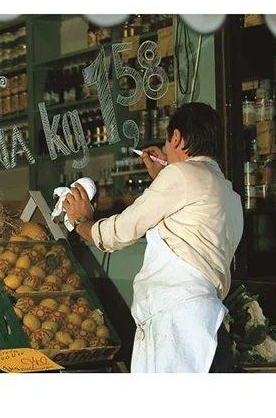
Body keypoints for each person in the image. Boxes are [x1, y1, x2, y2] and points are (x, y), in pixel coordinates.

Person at [63, 102, 244, 373]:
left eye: (168, 141)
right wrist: (163, 175)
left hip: (178, 327)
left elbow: (118, 232)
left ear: (177, 138)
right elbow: (187, 220)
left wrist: (81, 221)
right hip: (208, 328)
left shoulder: (181, 175)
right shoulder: (228, 192)